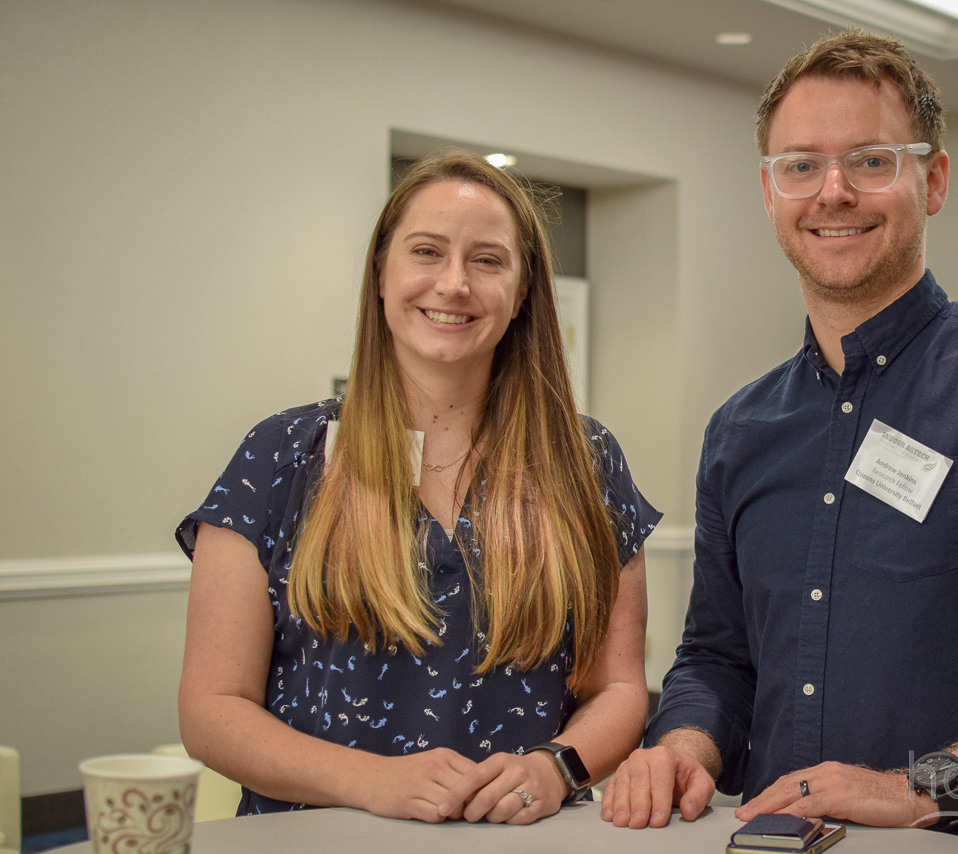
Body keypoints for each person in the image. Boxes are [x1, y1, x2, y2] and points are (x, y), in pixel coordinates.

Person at [600, 29, 958, 854]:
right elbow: (717, 658)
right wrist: (685, 746)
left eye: (871, 161)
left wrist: (920, 790)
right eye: (801, 165)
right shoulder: (740, 429)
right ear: (769, 191)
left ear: (933, 179)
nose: (833, 191)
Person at [177, 151, 660, 824]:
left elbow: (618, 688)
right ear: (381, 272)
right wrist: (370, 781)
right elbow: (212, 710)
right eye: (427, 252)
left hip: (518, 835)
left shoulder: (585, 461)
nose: (454, 284)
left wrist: (555, 768)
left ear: (522, 291)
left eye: (487, 261)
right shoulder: (282, 455)